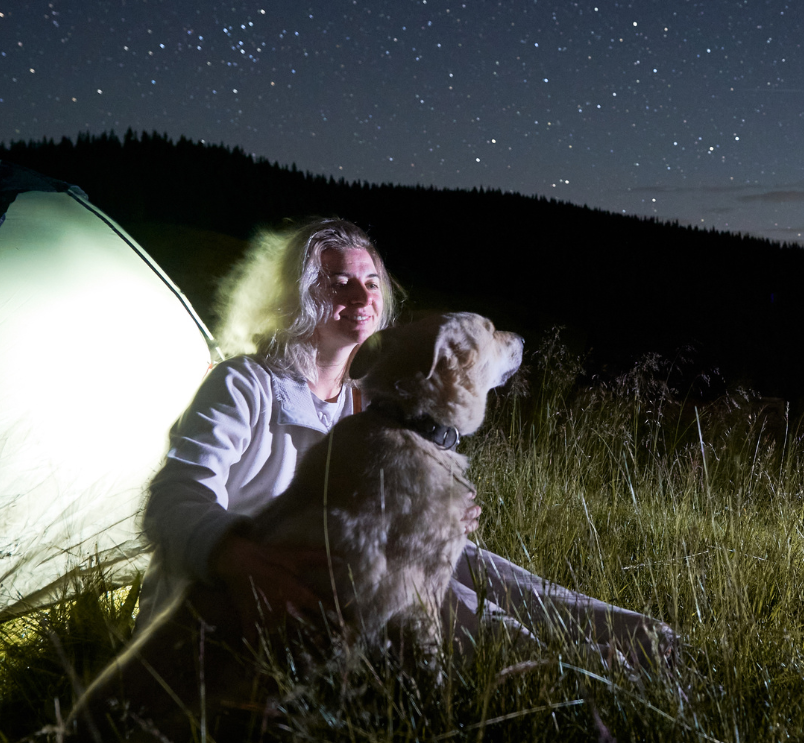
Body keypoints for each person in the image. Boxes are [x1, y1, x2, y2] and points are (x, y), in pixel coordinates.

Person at [140, 217, 673, 669]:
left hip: (354, 570)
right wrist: (239, 557)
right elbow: (172, 498)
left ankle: (652, 643)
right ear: (297, 294)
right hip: (246, 595)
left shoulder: (368, 404)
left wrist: (439, 513)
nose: (361, 296)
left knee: (478, 563)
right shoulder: (245, 383)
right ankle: (582, 678)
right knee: (441, 595)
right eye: (337, 282)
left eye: (371, 282)